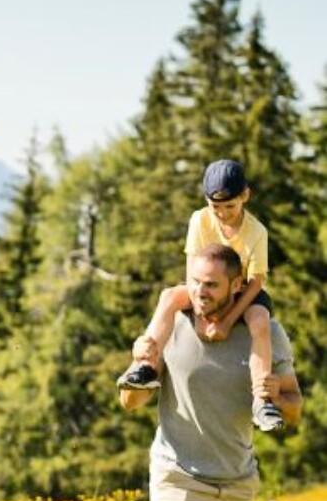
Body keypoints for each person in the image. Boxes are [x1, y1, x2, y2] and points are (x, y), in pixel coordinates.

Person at [119, 243, 301, 501]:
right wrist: (141, 368)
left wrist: (276, 396)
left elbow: (294, 407)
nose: (201, 292)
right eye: (195, 282)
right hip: (177, 471)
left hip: (235, 478)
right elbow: (129, 401)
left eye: (212, 285)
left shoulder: (266, 333)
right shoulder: (171, 326)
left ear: (236, 286)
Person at [117, 159, 285, 432]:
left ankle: (262, 399)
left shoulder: (256, 231)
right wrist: (199, 314)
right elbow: (192, 270)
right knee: (169, 296)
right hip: (205, 286)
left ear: (245, 196)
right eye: (215, 206)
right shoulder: (200, 219)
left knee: (260, 321)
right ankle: (146, 365)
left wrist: (228, 321)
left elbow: (256, 281)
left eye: (229, 206)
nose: (222, 214)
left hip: (242, 291)